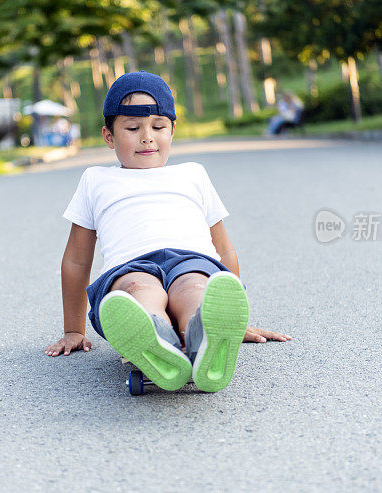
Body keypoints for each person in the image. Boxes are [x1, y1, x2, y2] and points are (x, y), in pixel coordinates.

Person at [45, 71, 291, 393]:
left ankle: (206, 333)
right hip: (130, 268)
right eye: (132, 129)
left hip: (191, 260)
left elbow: (224, 249)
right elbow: (77, 260)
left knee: (195, 288)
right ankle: (153, 334)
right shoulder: (96, 180)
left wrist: (237, 319)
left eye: (158, 127)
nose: (147, 137)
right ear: (109, 136)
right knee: (138, 289)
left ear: (172, 130)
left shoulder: (193, 175)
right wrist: (74, 329)